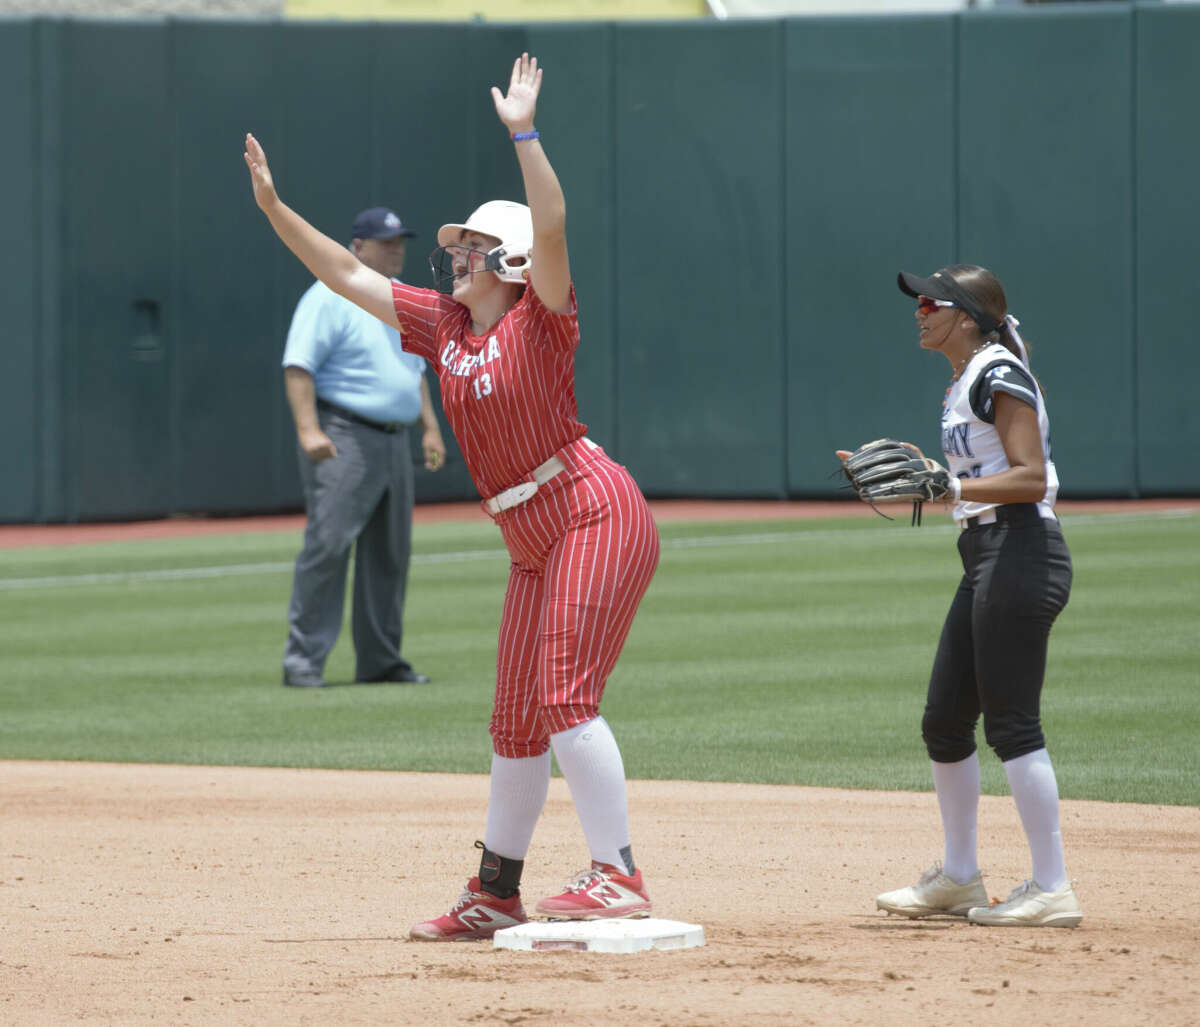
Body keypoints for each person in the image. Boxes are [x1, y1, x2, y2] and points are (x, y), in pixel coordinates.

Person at [245, 53, 660, 938]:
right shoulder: (446, 326)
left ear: (504, 261)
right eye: (456, 246)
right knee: (513, 716)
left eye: (471, 247)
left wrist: (524, 132)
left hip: (590, 506)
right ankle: (494, 891)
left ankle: (618, 873)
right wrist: (279, 212)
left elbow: (551, 226)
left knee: (561, 695)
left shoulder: (540, 313)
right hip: (530, 532)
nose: (455, 255)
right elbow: (348, 278)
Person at [841, 264, 1082, 928]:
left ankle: (1052, 885)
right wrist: (937, 476)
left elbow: (1031, 478)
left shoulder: (1000, 372)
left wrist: (950, 487)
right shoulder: (968, 378)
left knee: (1013, 726)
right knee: (945, 721)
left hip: (1022, 550)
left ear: (967, 316)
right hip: (986, 553)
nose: (917, 312)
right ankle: (958, 876)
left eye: (929, 302)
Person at [280, 206, 446, 689]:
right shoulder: (329, 295)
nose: (396, 249)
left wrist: (429, 427)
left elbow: (413, 372)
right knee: (329, 545)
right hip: (346, 433)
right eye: (385, 241)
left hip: (394, 440)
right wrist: (309, 429)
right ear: (357, 247)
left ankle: (380, 660)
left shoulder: (397, 299)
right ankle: (303, 660)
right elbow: (298, 365)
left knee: (390, 555)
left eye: (400, 241)